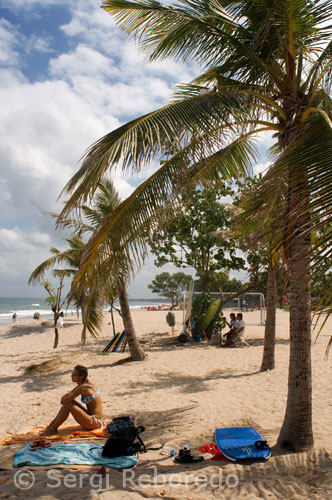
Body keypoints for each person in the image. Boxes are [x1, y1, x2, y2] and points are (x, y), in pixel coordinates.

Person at [41, 365, 103, 435]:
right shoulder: (83, 385)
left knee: (68, 404)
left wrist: (67, 397)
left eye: (74, 375)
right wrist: (67, 397)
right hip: (92, 419)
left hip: (95, 423)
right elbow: (66, 398)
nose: (71, 376)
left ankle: (52, 429)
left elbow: (63, 400)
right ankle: (51, 428)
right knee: (69, 402)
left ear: (80, 377)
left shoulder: (83, 388)